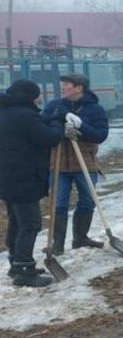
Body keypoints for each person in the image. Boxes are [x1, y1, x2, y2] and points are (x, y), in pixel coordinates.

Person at [0, 80, 65, 286]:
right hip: (23, 176)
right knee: (30, 223)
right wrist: (58, 122)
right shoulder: (24, 115)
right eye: (36, 95)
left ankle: (16, 263)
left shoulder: (5, 112)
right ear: (30, 96)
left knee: (16, 221)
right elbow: (49, 138)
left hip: (7, 176)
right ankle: (24, 271)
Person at [41, 73, 110, 253]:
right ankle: (56, 244)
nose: (63, 87)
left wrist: (80, 126)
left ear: (79, 88)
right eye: (62, 84)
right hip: (58, 163)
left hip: (85, 162)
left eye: (67, 85)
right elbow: (42, 124)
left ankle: (80, 238)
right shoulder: (54, 106)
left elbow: (100, 135)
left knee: (88, 201)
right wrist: (61, 119)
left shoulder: (95, 110)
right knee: (59, 203)